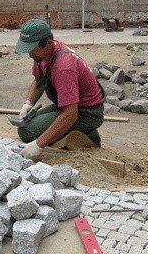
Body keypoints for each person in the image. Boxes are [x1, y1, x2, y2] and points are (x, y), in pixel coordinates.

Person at [14, 19, 104, 160]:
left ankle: (87, 134)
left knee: (27, 132)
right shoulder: (43, 54)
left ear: (49, 43)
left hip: (88, 112)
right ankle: (75, 130)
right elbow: (38, 81)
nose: (30, 55)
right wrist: (28, 103)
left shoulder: (63, 66)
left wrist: (38, 145)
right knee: (26, 124)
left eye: (32, 50)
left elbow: (70, 114)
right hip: (69, 106)